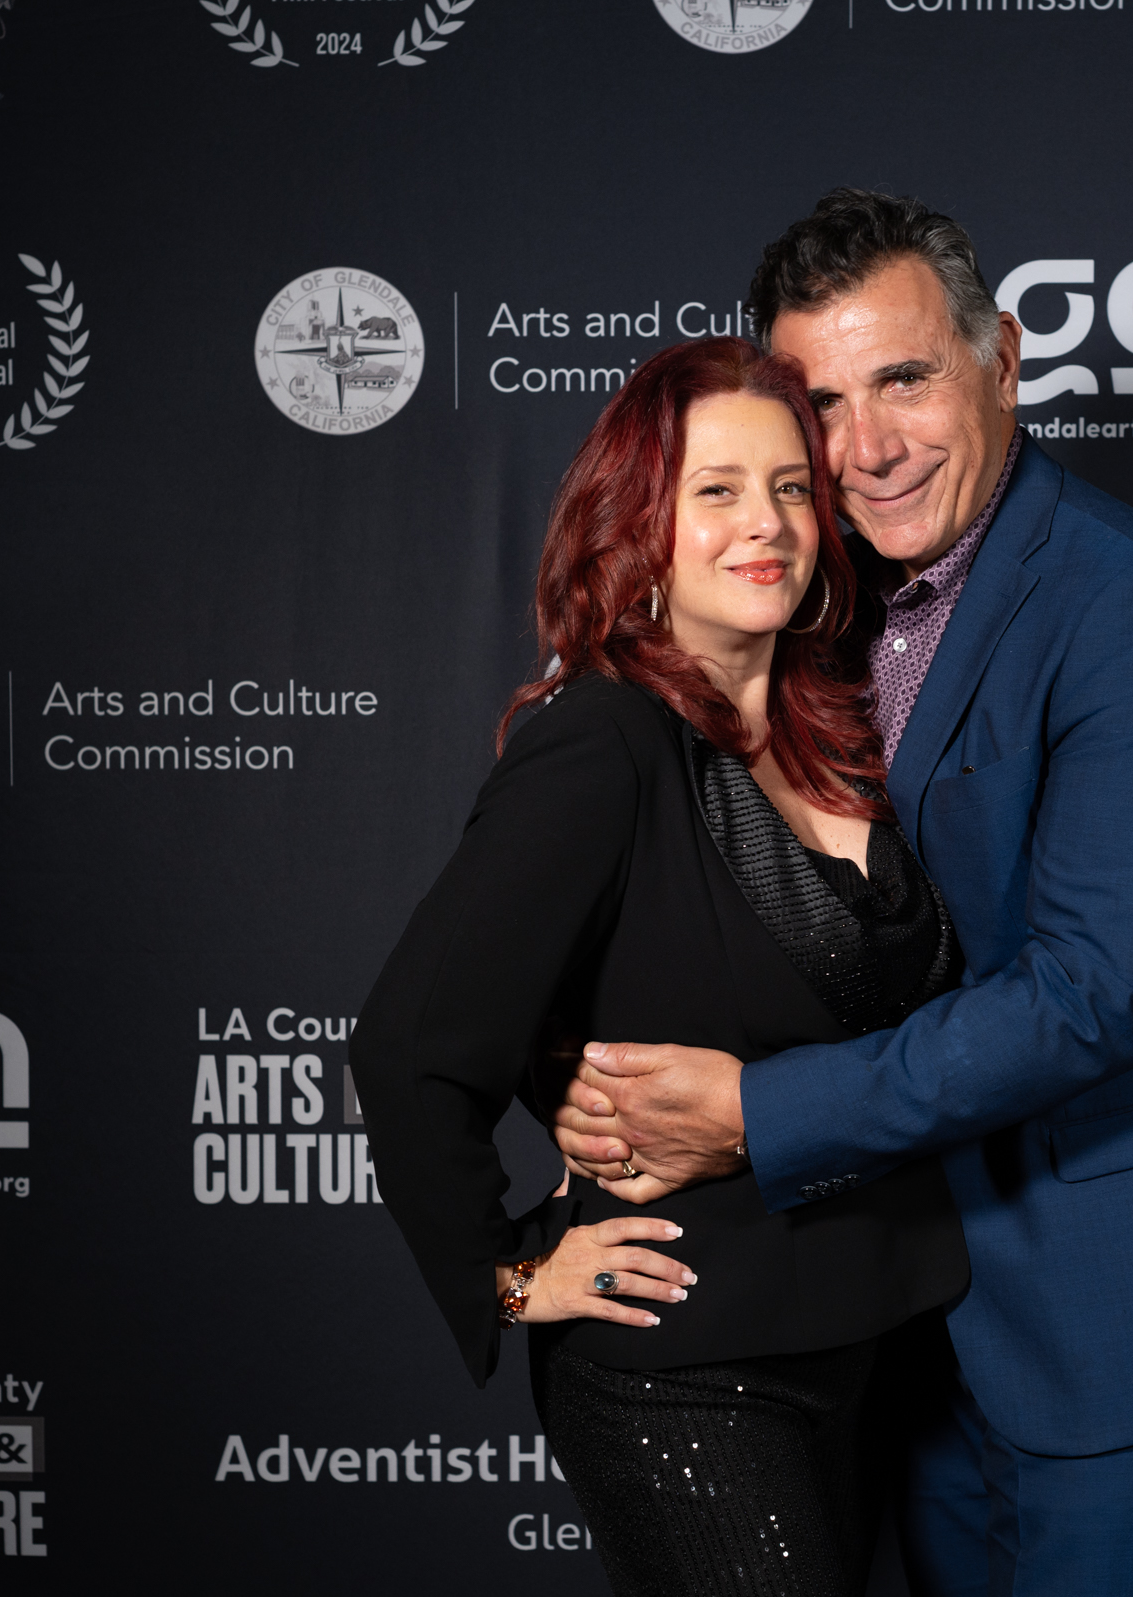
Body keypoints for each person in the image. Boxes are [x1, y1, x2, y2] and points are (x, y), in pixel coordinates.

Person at [551, 191, 1133, 1596]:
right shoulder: (814, 594)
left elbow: (1096, 991)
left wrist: (752, 1114)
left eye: (904, 379)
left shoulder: (1131, 603)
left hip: (1117, 1302)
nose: (868, 447)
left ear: (1002, 360)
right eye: (821, 403)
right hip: (904, 1303)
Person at [353, 335, 971, 1597]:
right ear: (642, 525)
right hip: (692, 1372)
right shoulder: (603, 740)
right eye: (717, 490)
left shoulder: (841, 728)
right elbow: (411, 1044)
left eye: (791, 487)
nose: (768, 524)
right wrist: (509, 1273)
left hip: (887, 1340)